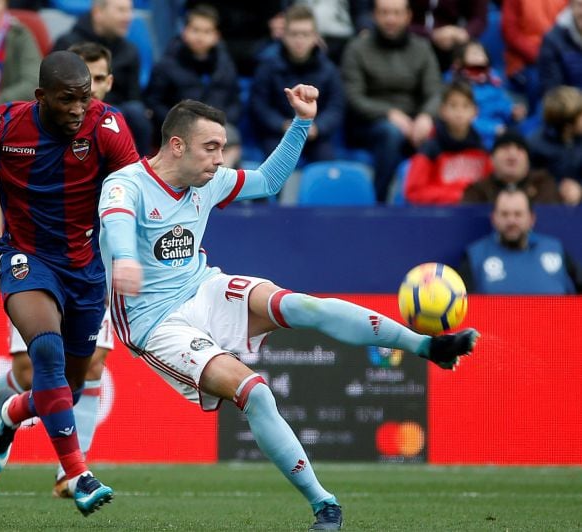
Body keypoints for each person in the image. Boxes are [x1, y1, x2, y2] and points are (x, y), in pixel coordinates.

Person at [97, 86, 479, 530]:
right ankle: (324, 505)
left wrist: (301, 122)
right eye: (211, 148)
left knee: (303, 307)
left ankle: (428, 347)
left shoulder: (210, 181)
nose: (220, 159)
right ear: (176, 145)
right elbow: (117, 223)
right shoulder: (126, 184)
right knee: (255, 393)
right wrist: (123, 257)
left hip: (205, 288)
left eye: (222, 148)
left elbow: (269, 181)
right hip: (156, 323)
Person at [0, 50, 139, 515]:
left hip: (86, 269)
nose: (77, 110)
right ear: (40, 96)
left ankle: (7, 416)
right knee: (45, 352)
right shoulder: (8, 125)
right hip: (26, 258)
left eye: (84, 100)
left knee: (65, 387)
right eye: (67, 100)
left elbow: (133, 186)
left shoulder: (107, 127)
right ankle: (78, 475)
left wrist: (132, 253)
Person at [341, 0, 442, 202]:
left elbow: (435, 91)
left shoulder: (421, 48)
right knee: (390, 133)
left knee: (443, 132)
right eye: (384, 13)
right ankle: (380, 202)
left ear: (408, 16)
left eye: (396, 13)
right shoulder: (357, 49)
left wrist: (426, 116)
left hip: (414, 123)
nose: (390, 19)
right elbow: (354, 97)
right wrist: (389, 113)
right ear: (374, 16)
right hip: (369, 125)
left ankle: (432, 203)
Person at [52, 0, 152, 155]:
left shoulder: (130, 51)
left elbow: (134, 97)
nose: (128, 17)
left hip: (119, 114)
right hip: (75, 111)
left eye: (129, 11)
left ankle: (139, 171)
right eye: (121, 10)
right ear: (98, 13)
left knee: (137, 113)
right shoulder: (67, 44)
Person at [250, 4, 344, 162]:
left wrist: (317, 128)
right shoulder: (267, 66)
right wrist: (283, 125)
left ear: (315, 37)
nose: (299, 40)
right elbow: (259, 106)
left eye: (305, 34)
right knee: (272, 172)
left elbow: (335, 107)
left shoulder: (329, 70)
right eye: (294, 34)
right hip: (277, 135)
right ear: (284, 35)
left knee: (327, 168)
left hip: (315, 136)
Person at [145, 4, 242, 144]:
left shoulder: (225, 65)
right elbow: (154, 102)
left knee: (231, 140)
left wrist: (221, 122)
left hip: (218, 129)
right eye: (195, 30)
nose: (200, 37)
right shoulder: (166, 65)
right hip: (180, 132)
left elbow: (235, 101)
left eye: (207, 31)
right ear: (184, 32)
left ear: (216, 36)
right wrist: (180, 125)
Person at [460, 187, 582, 294]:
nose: (511, 221)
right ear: (493, 218)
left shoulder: (555, 250)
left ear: (531, 218)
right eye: (504, 214)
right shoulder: (475, 256)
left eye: (518, 214)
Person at [404, 81, 492, 205]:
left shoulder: (482, 150)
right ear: (442, 111)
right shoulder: (429, 149)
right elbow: (414, 192)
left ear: (475, 111)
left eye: (465, 106)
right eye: (453, 105)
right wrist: (457, 197)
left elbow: (491, 189)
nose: (459, 112)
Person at [448, 40, 526, 149]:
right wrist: (493, 129)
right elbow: (463, 118)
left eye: (481, 52)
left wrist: (512, 111)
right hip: (475, 136)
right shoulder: (455, 82)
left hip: (502, 130)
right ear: (460, 61)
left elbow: (502, 101)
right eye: (474, 53)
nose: (479, 56)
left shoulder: (493, 77)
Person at [462, 130, 561, 204]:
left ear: (528, 160)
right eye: (505, 148)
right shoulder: (478, 190)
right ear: (492, 159)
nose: (512, 154)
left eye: (519, 149)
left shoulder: (543, 184)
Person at [501, 0, 566, 113]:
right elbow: (510, 32)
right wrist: (541, 56)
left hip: (560, 57)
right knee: (540, 82)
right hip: (526, 63)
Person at [527, 85, 582, 206]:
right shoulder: (535, 146)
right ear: (568, 126)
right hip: (549, 208)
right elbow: (530, 185)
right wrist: (558, 191)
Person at [407, 0, 489, 71]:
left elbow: (479, 17)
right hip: (412, 38)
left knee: (474, 55)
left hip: (453, 40)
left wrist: (464, 33)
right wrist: (431, 34)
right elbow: (398, 16)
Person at [538, 0, 582, 94]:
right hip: (568, 105)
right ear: (571, 7)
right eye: (580, 5)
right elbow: (553, 90)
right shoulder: (553, 40)